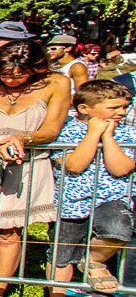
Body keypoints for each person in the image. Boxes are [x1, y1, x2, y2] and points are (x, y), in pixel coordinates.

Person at [0, 40, 73, 297]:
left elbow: (51, 129)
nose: (11, 79)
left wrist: (22, 138)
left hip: (27, 164)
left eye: (20, 73)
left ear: (36, 67)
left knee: (10, 232)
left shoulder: (57, 83)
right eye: (4, 73)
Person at [47, 80, 135, 296]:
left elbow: (121, 168)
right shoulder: (66, 130)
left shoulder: (127, 133)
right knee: (62, 255)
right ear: (84, 108)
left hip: (112, 199)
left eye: (124, 107)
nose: (121, 113)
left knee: (118, 231)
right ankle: (56, 293)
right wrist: (93, 134)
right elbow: (76, 165)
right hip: (71, 203)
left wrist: (107, 137)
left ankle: (94, 260)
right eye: (113, 108)